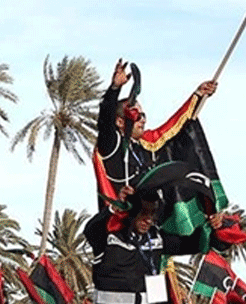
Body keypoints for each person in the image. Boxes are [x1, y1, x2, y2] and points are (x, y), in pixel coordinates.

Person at [93, 59, 217, 209]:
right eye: (137, 116)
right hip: (126, 221)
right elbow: (105, 119)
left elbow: (173, 126)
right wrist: (114, 88)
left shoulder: (147, 142)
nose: (143, 120)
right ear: (120, 122)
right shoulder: (111, 144)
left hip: (153, 215)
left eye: (143, 115)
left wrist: (198, 95)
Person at [86, 195, 229, 301]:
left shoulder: (156, 237)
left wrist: (217, 227)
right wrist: (112, 208)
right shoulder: (110, 237)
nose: (148, 220)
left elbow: (194, 243)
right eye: (143, 213)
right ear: (132, 213)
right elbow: (91, 230)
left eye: (151, 214)